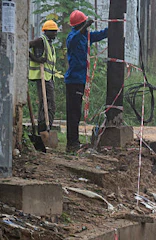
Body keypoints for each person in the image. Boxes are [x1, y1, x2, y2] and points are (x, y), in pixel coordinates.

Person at [64, 10, 107, 153]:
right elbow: (72, 41)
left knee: (77, 112)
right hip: (73, 81)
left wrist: (112, 28)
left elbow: (99, 35)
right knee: (73, 113)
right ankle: (71, 143)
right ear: (80, 24)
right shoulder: (73, 36)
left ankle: (74, 141)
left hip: (81, 79)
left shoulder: (85, 36)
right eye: (84, 23)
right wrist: (83, 28)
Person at [28, 20, 58, 139]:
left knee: (46, 104)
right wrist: (36, 59)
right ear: (47, 31)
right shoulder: (41, 40)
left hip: (48, 77)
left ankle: (43, 128)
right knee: (49, 103)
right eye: (53, 32)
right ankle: (45, 128)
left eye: (56, 32)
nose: (55, 34)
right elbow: (25, 46)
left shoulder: (49, 43)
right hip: (42, 78)